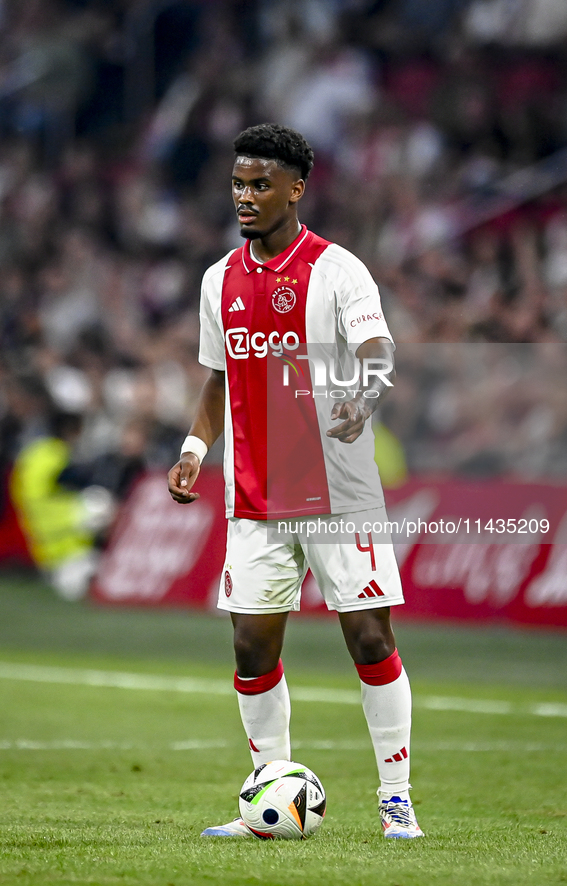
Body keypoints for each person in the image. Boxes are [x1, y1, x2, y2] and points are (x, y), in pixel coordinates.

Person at [167, 123, 424, 839]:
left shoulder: (338, 270)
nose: (244, 197)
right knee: (251, 647)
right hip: (254, 492)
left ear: (294, 188)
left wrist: (363, 397)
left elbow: (378, 348)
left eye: (258, 185)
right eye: (237, 184)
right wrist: (194, 445)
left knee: (369, 637)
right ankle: (265, 796)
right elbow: (218, 378)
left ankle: (395, 797)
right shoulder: (218, 279)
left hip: (338, 492)